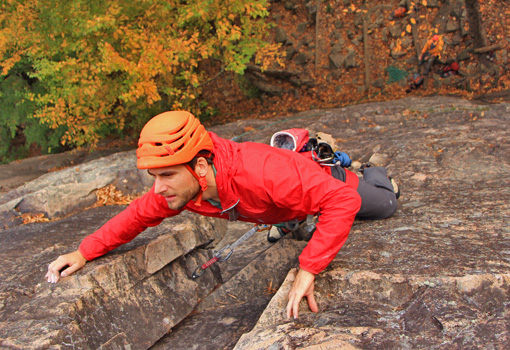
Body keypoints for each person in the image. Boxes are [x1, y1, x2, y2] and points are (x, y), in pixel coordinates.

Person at [46, 111, 399, 319]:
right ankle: (292, 216)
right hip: (282, 197)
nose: (158, 188)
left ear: (200, 165)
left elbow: (340, 201)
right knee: (284, 208)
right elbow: (137, 215)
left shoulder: (260, 173)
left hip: (323, 181)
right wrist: (83, 252)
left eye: (166, 175)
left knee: (384, 204)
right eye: (154, 177)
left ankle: (374, 173)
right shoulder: (185, 187)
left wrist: (308, 268)